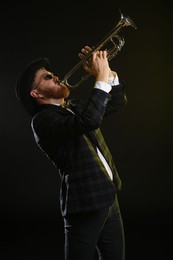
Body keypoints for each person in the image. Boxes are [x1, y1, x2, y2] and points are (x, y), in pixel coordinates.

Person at [15, 45, 127, 260]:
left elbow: (114, 103)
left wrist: (108, 73)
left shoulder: (72, 106)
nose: (56, 77)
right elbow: (90, 120)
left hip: (108, 196)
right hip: (85, 202)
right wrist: (100, 76)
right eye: (47, 77)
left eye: (53, 73)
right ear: (36, 93)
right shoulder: (42, 121)